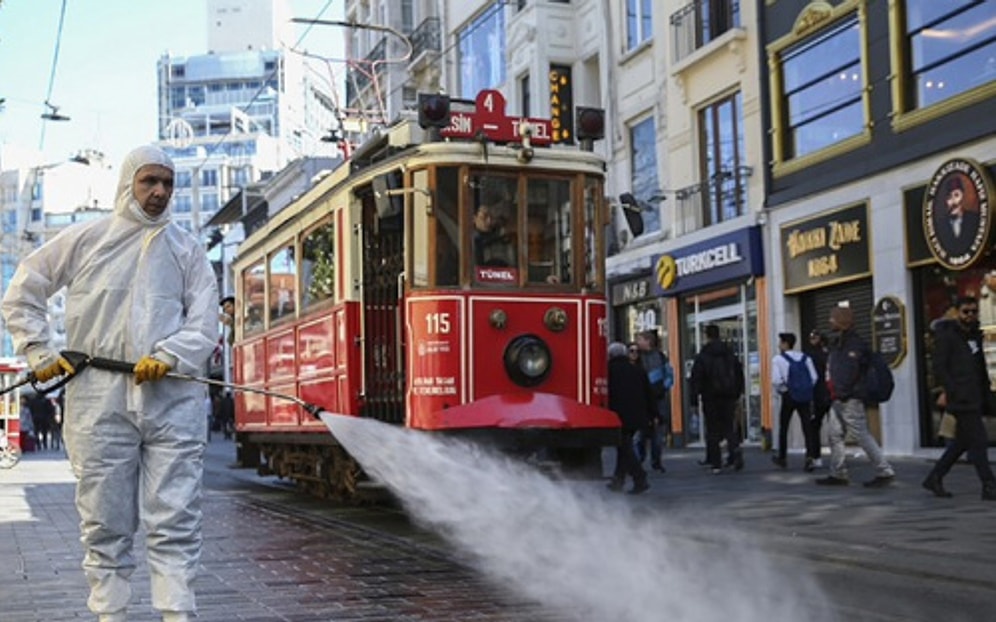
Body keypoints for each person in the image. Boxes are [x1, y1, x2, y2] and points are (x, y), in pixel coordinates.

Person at [1, 144, 219, 622]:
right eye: (149, 181)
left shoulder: (187, 250)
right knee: (104, 520)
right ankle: (111, 615)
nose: (159, 192)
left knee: (176, 516)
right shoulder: (86, 240)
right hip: (98, 398)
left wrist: (169, 354)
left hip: (173, 398)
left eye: (167, 183)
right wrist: (38, 351)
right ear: (128, 183)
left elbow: (206, 322)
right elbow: (24, 289)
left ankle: (178, 614)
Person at [922, 296, 996, 500]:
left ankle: (934, 477)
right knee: (979, 441)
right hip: (961, 398)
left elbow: (980, 367)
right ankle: (989, 485)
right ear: (956, 312)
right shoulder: (947, 336)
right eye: (966, 311)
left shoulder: (976, 335)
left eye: (974, 311)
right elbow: (940, 366)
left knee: (962, 442)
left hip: (976, 395)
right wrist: (952, 390)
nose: (970, 315)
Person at [816, 306, 896, 488]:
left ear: (841, 321)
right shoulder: (839, 342)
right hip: (838, 397)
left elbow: (850, 371)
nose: (829, 321)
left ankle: (885, 470)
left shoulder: (853, 344)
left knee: (860, 434)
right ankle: (838, 472)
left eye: (833, 318)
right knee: (834, 434)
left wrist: (842, 392)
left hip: (849, 398)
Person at [690, 324, 745, 474]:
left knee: (712, 429)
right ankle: (735, 450)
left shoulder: (703, 355)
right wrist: (738, 392)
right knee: (728, 426)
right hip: (728, 396)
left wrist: (694, 399)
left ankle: (716, 463)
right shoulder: (729, 353)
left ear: (706, 335)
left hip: (710, 397)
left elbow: (696, 378)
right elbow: (739, 373)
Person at [606, 341, 653, 494]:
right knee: (624, 447)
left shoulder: (609, 371)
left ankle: (640, 477)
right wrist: (653, 414)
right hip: (637, 415)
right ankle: (618, 480)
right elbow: (648, 393)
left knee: (624, 447)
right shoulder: (637, 370)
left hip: (618, 415)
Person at [770, 332, 818, 472]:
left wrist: (783, 390)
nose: (779, 345)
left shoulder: (778, 359)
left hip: (789, 396)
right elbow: (814, 377)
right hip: (805, 395)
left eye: (780, 342)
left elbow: (776, 380)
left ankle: (782, 457)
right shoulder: (805, 358)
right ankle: (810, 457)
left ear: (785, 344)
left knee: (784, 426)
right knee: (807, 426)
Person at [633, 330, 672, 472]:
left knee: (657, 433)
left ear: (648, 341)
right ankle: (639, 459)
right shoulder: (636, 358)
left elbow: (669, 375)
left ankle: (656, 461)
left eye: (640, 339)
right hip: (642, 400)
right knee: (639, 433)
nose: (637, 343)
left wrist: (662, 388)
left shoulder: (660, 357)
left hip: (657, 399)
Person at [933, 174, 980, 259]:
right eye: (949, 197)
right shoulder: (939, 226)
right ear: (945, 201)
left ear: (963, 196)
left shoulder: (975, 219)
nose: (954, 202)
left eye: (956, 195)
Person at [804, 329, 830, 468]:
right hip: (831, 393)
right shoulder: (829, 354)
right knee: (835, 427)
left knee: (814, 426)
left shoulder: (809, 355)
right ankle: (838, 456)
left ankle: (816, 455)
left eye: (814, 337)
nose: (812, 340)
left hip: (817, 394)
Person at [472, 202, 514, 269]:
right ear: (474, 218)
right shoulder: (468, 241)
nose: (489, 221)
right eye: (484, 217)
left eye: (491, 217)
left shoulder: (502, 240)